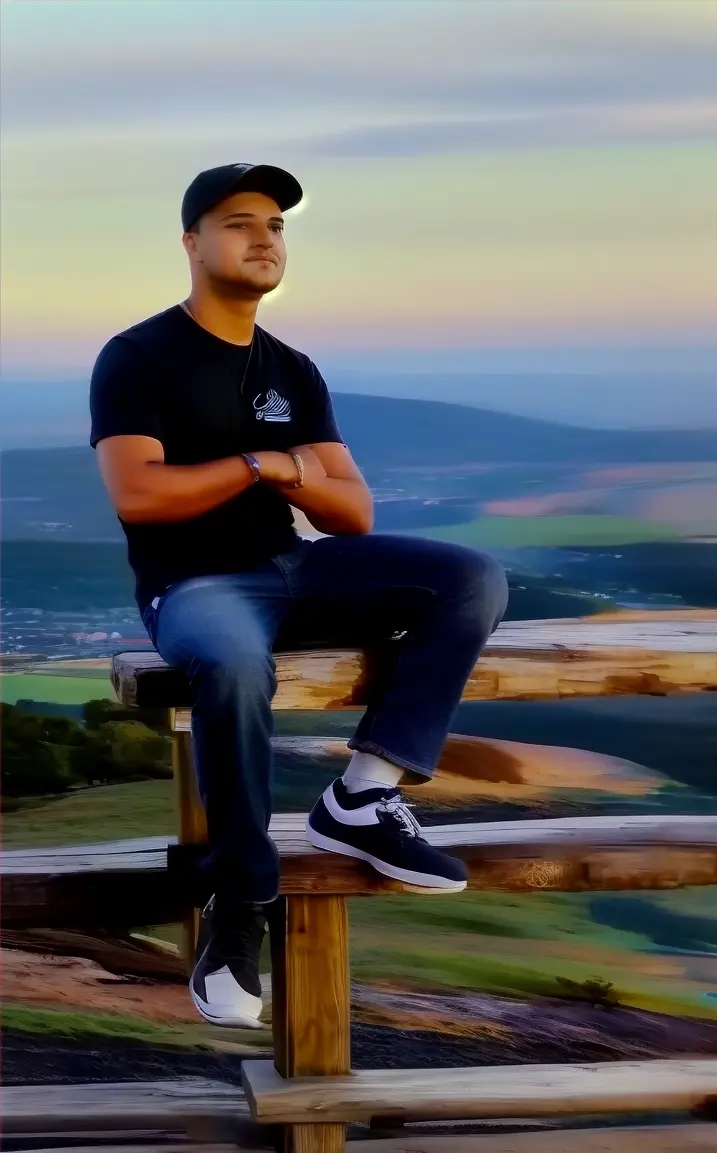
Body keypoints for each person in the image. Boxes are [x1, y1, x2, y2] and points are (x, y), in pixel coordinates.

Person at [89, 162, 509, 1029]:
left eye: (277, 225)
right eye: (240, 222)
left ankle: (361, 795)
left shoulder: (292, 368)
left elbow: (352, 511)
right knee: (237, 665)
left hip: (295, 569)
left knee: (469, 578)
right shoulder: (138, 357)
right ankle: (239, 904)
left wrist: (280, 475)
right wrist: (268, 465)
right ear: (191, 242)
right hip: (194, 585)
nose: (264, 238)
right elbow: (139, 494)